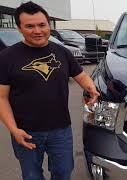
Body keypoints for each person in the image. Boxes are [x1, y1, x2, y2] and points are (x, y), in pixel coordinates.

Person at [0, 1, 99, 180]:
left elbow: (81, 76)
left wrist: (91, 88)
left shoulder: (62, 52)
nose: (37, 30)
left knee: (63, 173)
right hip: (26, 132)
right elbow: (1, 98)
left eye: (41, 25)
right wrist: (13, 129)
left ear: (48, 25)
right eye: (30, 26)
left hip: (60, 129)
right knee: (32, 176)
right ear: (19, 28)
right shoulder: (6, 57)